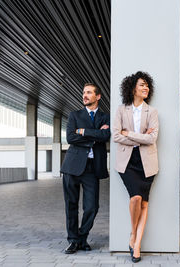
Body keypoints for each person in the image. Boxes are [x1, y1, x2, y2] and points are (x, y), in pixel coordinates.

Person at [112, 71, 159, 263]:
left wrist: (129, 133)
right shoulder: (121, 110)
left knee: (145, 203)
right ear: (133, 88)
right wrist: (140, 139)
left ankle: (136, 243)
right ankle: (133, 233)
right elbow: (115, 136)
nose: (145, 87)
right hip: (128, 163)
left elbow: (152, 138)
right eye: (142, 84)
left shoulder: (152, 112)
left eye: (147, 85)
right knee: (136, 198)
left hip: (147, 163)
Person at [60, 83, 110, 254]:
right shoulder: (74, 115)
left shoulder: (105, 117)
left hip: (92, 168)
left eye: (89, 93)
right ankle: (73, 241)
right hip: (72, 166)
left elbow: (106, 135)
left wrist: (84, 131)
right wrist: (93, 135)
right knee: (71, 205)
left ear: (98, 96)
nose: (85, 95)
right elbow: (71, 138)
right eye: (84, 93)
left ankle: (82, 237)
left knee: (91, 207)